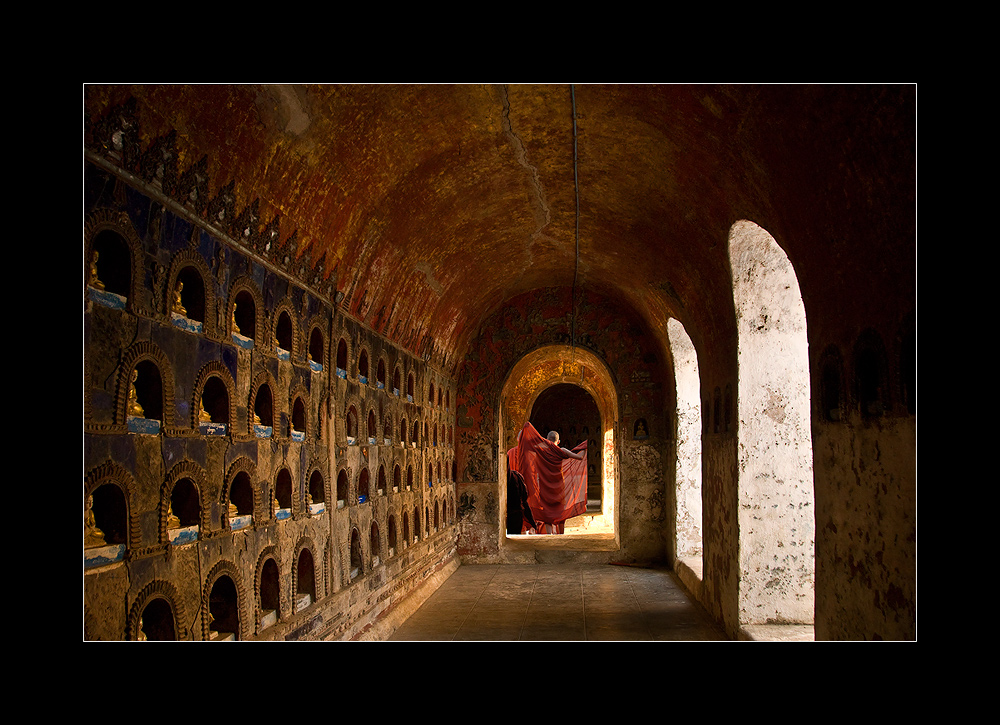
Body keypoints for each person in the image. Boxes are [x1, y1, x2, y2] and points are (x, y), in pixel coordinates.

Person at [507, 422, 587, 534]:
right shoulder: (561, 451)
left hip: (544, 485)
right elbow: (580, 457)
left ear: (546, 439)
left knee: (547, 510)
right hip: (559, 485)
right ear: (558, 441)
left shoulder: (541, 451)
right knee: (560, 509)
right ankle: (561, 533)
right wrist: (584, 446)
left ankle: (548, 536)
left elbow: (527, 449)